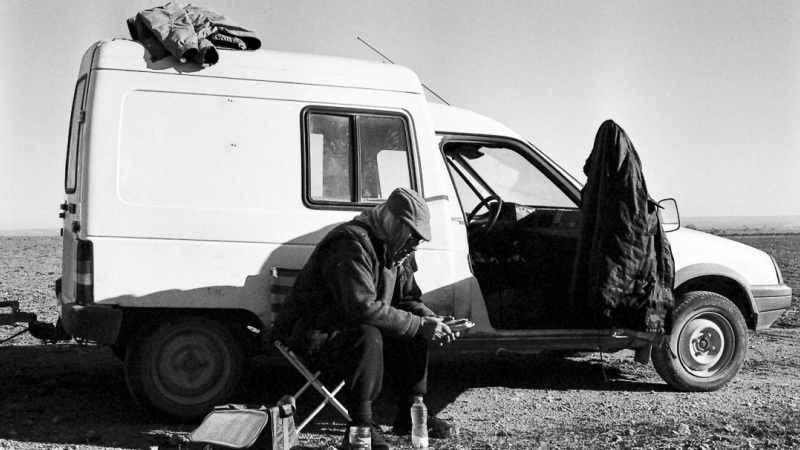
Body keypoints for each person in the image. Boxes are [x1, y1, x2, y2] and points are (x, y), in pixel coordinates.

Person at [271, 187, 457, 450]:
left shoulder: (399, 247)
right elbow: (361, 307)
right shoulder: (350, 243)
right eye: (412, 236)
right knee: (368, 333)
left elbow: (408, 300)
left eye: (419, 239)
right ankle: (360, 426)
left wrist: (432, 321)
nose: (415, 244)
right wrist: (419, 324)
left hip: (348, 326)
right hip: (312, 331)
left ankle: (410, 413)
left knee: (414, 329)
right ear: (394, 224)